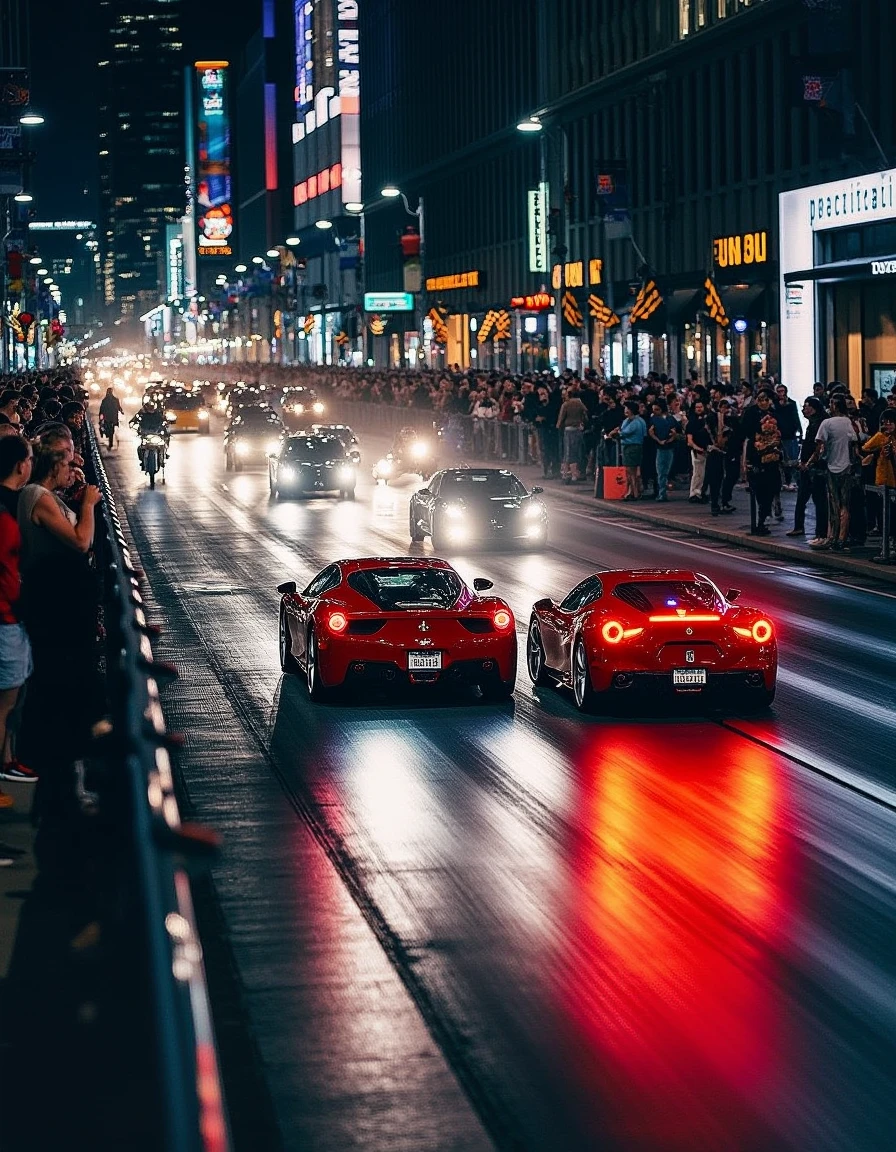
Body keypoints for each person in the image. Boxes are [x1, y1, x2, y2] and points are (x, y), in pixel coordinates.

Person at [0, 436, 37, 811]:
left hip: (13, 617)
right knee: (4, 707)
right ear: (20, 465)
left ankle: (9, 764)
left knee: (10, 704)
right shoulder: (6, 511)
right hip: (5, 618)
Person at [805, 394, 857, 552]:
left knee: (833, 503)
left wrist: (809, 463)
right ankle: (842, 538)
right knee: (845, 505)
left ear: (834, 405)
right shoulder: (848, 422)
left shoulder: (826, 423)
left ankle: (832, 537)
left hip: (831, 466)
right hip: (846, 466)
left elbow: (819, 448)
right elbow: (853, 444)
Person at [788, 397, 828, 541]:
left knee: (816, 499)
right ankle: (805, 527)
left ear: (814, 408)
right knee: (807, 498)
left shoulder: (817, 425)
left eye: (806, 407)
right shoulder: (813, 423)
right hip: (808, 465)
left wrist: (808, 463)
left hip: (813, 467)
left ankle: (820, 532)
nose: (804, 410)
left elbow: (817, 448)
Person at [746, 413, 783, 535]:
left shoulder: (777, 439)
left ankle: (761, 522)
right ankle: (759, 523)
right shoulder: (754, 440)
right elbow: (752, 456)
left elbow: (780, 456)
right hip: (759, 473)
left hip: (771, 472)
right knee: (761, 500)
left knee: (767, 500)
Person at [612, 400, 646, 500]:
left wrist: (616, 433)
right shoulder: (630, 420)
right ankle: (631, 492)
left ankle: (635, 493)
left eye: (627, 408)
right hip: (629, 447)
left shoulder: (636, 422)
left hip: (632, 447)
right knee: (631, 471)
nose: (625, 410)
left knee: (631, 471)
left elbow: (623, 433)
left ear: (631, 410)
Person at [556, 384, 588, 484]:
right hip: (578, 430)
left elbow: (560, 419)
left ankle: (566, 473)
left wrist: (558, 426)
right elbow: (586, 416)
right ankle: (575, 474)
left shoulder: (566, 404)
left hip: (568, 430)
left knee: (567, 452)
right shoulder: (580, 403)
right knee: (576, 451)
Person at [648, 398, 678, 502]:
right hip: (660, 447)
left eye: (656, 409)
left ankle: (662, 492)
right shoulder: (654, 419)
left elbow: (675, 432)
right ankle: (661, 493)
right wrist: (658, 440)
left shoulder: (670, 419)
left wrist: (672, 438)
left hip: (668, 447)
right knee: (661, 472)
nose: (654, 412)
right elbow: (651, 433)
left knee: (664, 471)